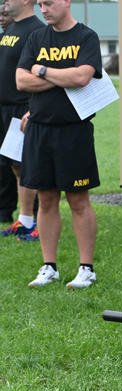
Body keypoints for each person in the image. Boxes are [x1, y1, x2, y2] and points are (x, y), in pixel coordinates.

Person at [16, 0, 103, 289]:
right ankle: (49, 266)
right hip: (40, 129)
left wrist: (42, 71)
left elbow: (81, 77)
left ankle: (86, 269)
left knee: (78, 199)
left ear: (66, 2)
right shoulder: (36, 37)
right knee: (47, 197)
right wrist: (61, 76)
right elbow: (20, 80)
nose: (44, 8)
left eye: (49, 3)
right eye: (40, 3)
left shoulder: (85, 37)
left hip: (73, 130)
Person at [0, 0, 45, 241]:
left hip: (22, 108)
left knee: (27, 165)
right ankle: (24, 219)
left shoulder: (36, 30)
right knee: (16, 167)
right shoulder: (12, 29)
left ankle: (36, 220)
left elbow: (36, 71)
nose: (6, 1)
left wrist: (32, 108)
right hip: (5, 107)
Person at [0, 2, 18, 224]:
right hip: (2, 108)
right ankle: (4, 210)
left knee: (21, 163)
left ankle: (30, 213)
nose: (2, 17)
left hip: (18, 108)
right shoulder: (3, 39)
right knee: (3, 164)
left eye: (5, 13)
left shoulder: (29, 34)